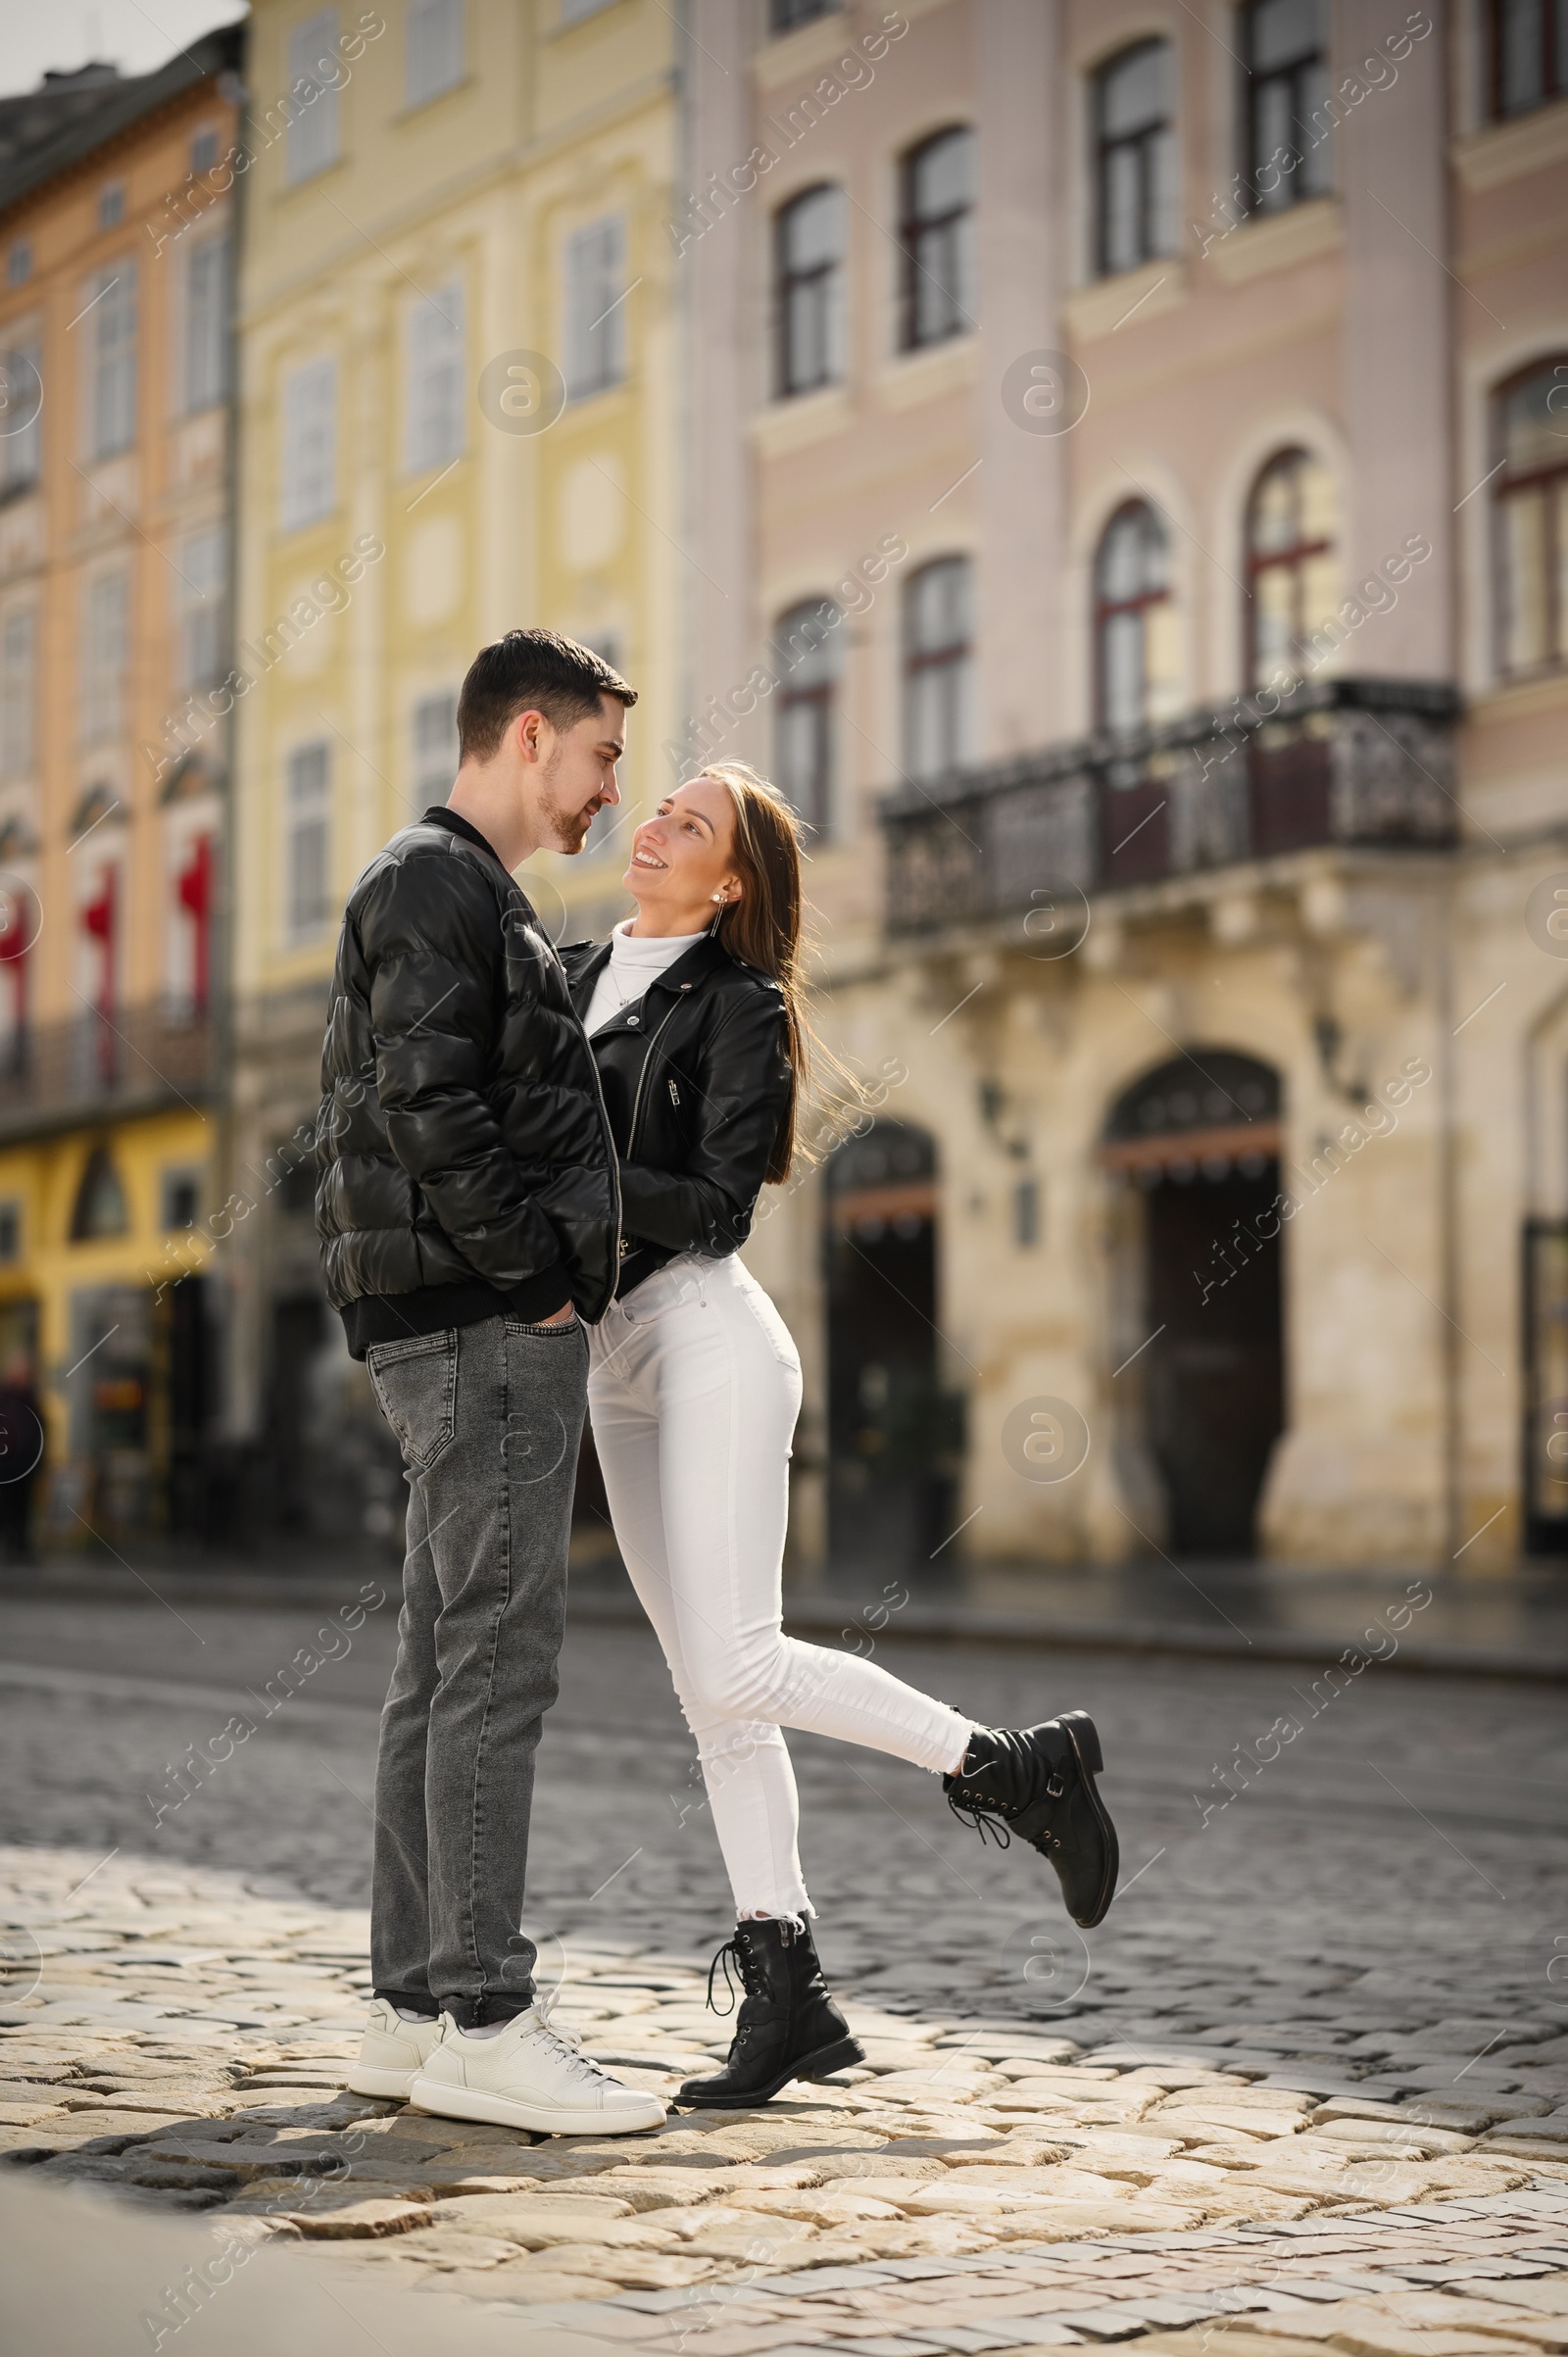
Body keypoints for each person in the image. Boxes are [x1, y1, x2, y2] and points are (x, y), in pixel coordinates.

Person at [562, 762, 1119, 2112]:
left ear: (734, 879)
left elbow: (711, 1207)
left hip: (708, 1335)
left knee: (741, 1656)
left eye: (692, 824)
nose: (657, 825)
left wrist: (562, 1181)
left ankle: (1010, 1764)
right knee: (713, 1696)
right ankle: (787, 1986)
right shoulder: (569, 971)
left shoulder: (739, 1002)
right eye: (660, 807)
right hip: (609, 1355)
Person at [318, 628, 664, 2137]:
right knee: (497, 1663)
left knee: (440, 1659)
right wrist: (536, 1278)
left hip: (456, 1321)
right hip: (477, 1326)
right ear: (530, 736)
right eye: (597, 758)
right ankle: (484, 2009)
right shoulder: (435, 881)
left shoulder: (449, 886)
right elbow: (431, 1101)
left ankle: (411, 2008)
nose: (604, 793)